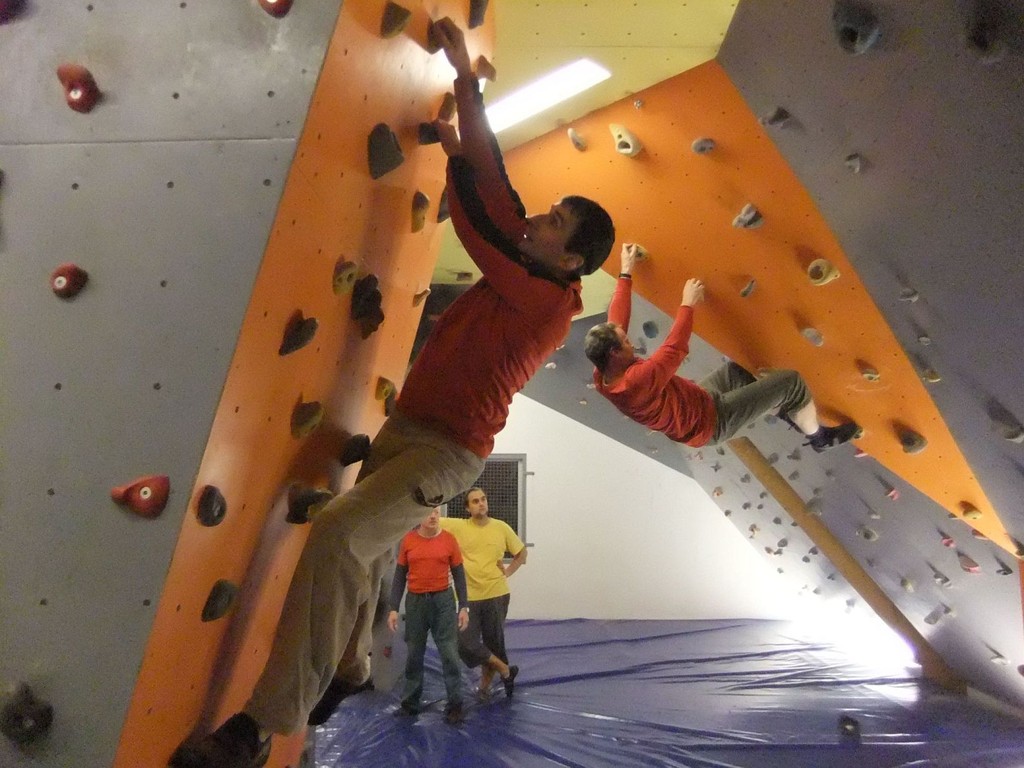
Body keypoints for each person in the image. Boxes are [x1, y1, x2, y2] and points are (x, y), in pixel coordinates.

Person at [169, 16, 614, 768]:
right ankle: (347, 669)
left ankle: (257, 728)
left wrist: (451, 159)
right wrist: (464, 83)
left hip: (446, 453)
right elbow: (501, 190)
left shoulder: (546, 297)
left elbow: (479, 218)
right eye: (549, 213)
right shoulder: (533, 265)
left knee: (342, 536)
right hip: (411, 426)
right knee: (366, 560)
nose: (537, 220)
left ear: (570, 258)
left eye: (553, 223)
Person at [583, 244, 860, 452]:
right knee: (791, 382)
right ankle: (820, 438)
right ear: (614, 354)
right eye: (625, 342)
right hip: (711, 424)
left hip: (698, 399)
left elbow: (616, 321)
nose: (629, 340)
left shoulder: (603, 374)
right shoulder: (636, 383)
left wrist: (625, 271)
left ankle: (790, 413)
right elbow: (675, 348)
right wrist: (688, 303)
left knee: (741, 372)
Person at [440, 487, 525, 698]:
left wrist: (507, 572)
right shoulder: (458, 526)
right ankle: (505, 669)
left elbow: (521, 553)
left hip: (497, 594)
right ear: (468, 508)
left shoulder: (501, 527)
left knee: (493, 643)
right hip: (468, 597)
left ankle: (484, 688)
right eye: (475, 501)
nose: (481, 503)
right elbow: (428, 517)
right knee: (464, 643)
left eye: (483, 499)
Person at [387, 508, 469, 724]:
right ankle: (410, 704)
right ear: (418, 516)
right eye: (428, 513)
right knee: (414, 653)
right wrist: (393, 608)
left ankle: (455, 704)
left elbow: (459, 575)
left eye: (436, 512)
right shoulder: (408, 541)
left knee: (449, 653)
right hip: (415, 602)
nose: (432, 516)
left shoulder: (449, 540)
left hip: (443, 601)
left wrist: (464, 606)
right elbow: (399, 576)